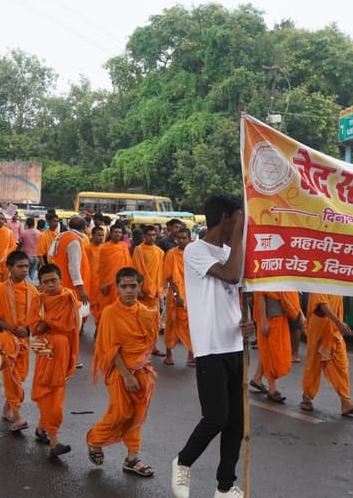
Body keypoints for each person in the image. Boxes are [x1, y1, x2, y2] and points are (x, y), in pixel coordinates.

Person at [172, 194, 255, 498]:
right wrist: (240, 234)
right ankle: (183, 461)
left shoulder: (230, 251)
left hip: (234, 343)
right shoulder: (195, 250)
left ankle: (225, 486)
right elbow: (231, 276)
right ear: (225, 218)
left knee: (237, 421)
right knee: (216, 417)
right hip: (210, 347)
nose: (240, 226)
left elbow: (240, 293)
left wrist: (247, 323)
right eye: (238, 219)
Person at [87, 267, 159, 477]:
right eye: (124, 286)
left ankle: (132, 458)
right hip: (120, 372)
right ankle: (95, 440)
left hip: (141, 371)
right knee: (120, 413)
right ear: (117, 288)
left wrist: (139, 368)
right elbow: (110, 350)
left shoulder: (146, 312)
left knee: (139, 413)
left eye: (133, 286)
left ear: (139, 287)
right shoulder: (110, 313)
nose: (128, 290)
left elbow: (149, 343)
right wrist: (127, 376)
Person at [31, 264, 81, 458]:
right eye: (46, 282)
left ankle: (41, 429)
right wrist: (51, 321)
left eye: (54, 280)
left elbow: (73, 325)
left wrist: (51, 320)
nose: (51, 285)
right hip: (46, 347)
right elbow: (36, 329)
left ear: (61, 280)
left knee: (56, 389)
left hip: (64, 348)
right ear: (41, 284)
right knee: (49, 389)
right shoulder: (39, 300)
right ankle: (54, 441)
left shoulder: (69, 297)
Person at [0, 251, 40, 432]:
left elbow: (36, 316)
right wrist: (12, 328)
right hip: (8, 340)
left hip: (25, 340)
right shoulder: (0, 290)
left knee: (19, 376)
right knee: (11, 376)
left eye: (26, 266)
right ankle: (17, 416)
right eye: (20, 266)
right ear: (9, 268)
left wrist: (29, 330)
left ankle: (7, 409)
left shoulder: (33, 290)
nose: (25, 270)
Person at [298, 293, 353, 415]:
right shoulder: (319, 281)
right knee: (314, 363)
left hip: (333, 328)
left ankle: (346, 402)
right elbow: (321, 303)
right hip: (319, 327)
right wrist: (338, 322)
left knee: (341, 363)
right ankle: (307, 396)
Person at [250, 291, 305, 404]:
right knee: (272, 355)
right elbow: (261, 296)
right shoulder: (267, 280)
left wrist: (301, 314)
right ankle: (272, 389)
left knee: (269, 351)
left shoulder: (283, 281)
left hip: (281, 319)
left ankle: (257, 378)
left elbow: (289, 296)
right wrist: (263, 321)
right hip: (270, 319)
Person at [162, 227, 194, 366]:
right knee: (171, 323)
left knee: (191, 325)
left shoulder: (193, 254)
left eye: (184, 238)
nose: (181, 240)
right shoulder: (171, 254)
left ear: (190, 239)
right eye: (178, 238)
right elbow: (168, 277)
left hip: (191, 293)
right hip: (175, 294)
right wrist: (177, 295)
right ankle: (169, 355)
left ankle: (191, 355)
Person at [48, 216, 91, 305]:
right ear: (84, 227)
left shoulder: (64, 236)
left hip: (64, 282)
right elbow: (74, 267)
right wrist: (81, 289)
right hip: (72, 286)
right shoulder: (73, 241)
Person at [97, 223, 132, 324]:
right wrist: (103, 284)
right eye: (116, 232)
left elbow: (128, 263)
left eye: (120, 232)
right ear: (110, 233)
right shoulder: (104, 248)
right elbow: (101, 268)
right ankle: (103, 327)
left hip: (122, 282)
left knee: (121, 308)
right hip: (109, 285)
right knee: (107, 308)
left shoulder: (124, 246)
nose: (118, 234)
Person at [132, 225, 165, 314]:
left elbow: (160, 272)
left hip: (155, 291)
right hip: (143, 291)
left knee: (154, 315)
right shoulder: (138, 250)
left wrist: (159, 289)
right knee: (142, 314)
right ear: (144, 236)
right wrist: (138, 289)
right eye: (149, 235)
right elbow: (136, 270)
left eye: (154, 235)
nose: (152, 237)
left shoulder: (159, 252)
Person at [0, 211, 17, 281]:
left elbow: (13, 246)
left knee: (3, 282)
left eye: (2, 219)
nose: (0, 221)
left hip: (4, 262)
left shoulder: (8, 232)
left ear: (4, 220)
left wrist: (5, 257)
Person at [20, 217, 41, 284]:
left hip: (27, 256)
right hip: (37, 256)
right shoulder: (39, 233)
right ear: (34, 223)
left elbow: (20, 243)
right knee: (32, 273)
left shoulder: (23, 233)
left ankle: (30, 284)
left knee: (26, 273)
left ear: (26, 224)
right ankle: (30, 285)